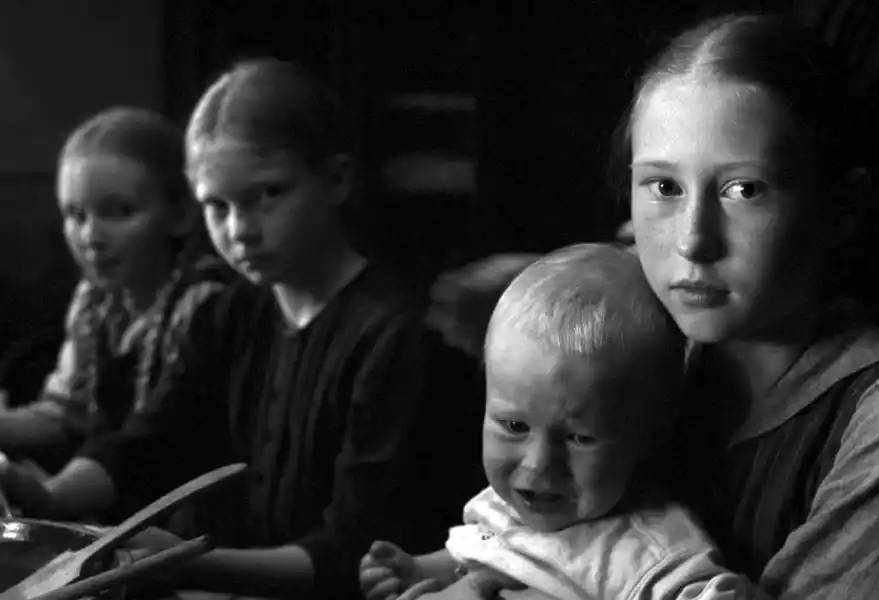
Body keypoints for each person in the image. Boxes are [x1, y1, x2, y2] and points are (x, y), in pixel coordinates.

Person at [420, 12, 879, 600]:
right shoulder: (633, 335)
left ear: (842, 207)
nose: (693, 241)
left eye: (745, 190)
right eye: (664, 187)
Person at [0, 59, 484, 599]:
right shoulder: (233, 314)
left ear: (337, 178)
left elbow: (353, 552)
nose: (239, 231)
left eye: (268, 194)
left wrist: (191, 564)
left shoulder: (394, 336)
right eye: (217, 205)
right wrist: (49, 496)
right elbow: (152, 441)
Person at [360, 243, 750, 600]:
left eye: (579, 438)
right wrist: (416, 570)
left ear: (649, 436)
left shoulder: (651, 555)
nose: (538, 465)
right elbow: (484, 552)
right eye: (514, 427)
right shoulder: (505, 506)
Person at [0, 107, 232, 496]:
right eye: (75, 215)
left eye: (119, 212)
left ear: (180, 213)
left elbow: (160, 441)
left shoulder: (202, 304)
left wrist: (54, 494)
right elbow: (64, 414)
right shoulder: (95, 301)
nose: (91, 235)